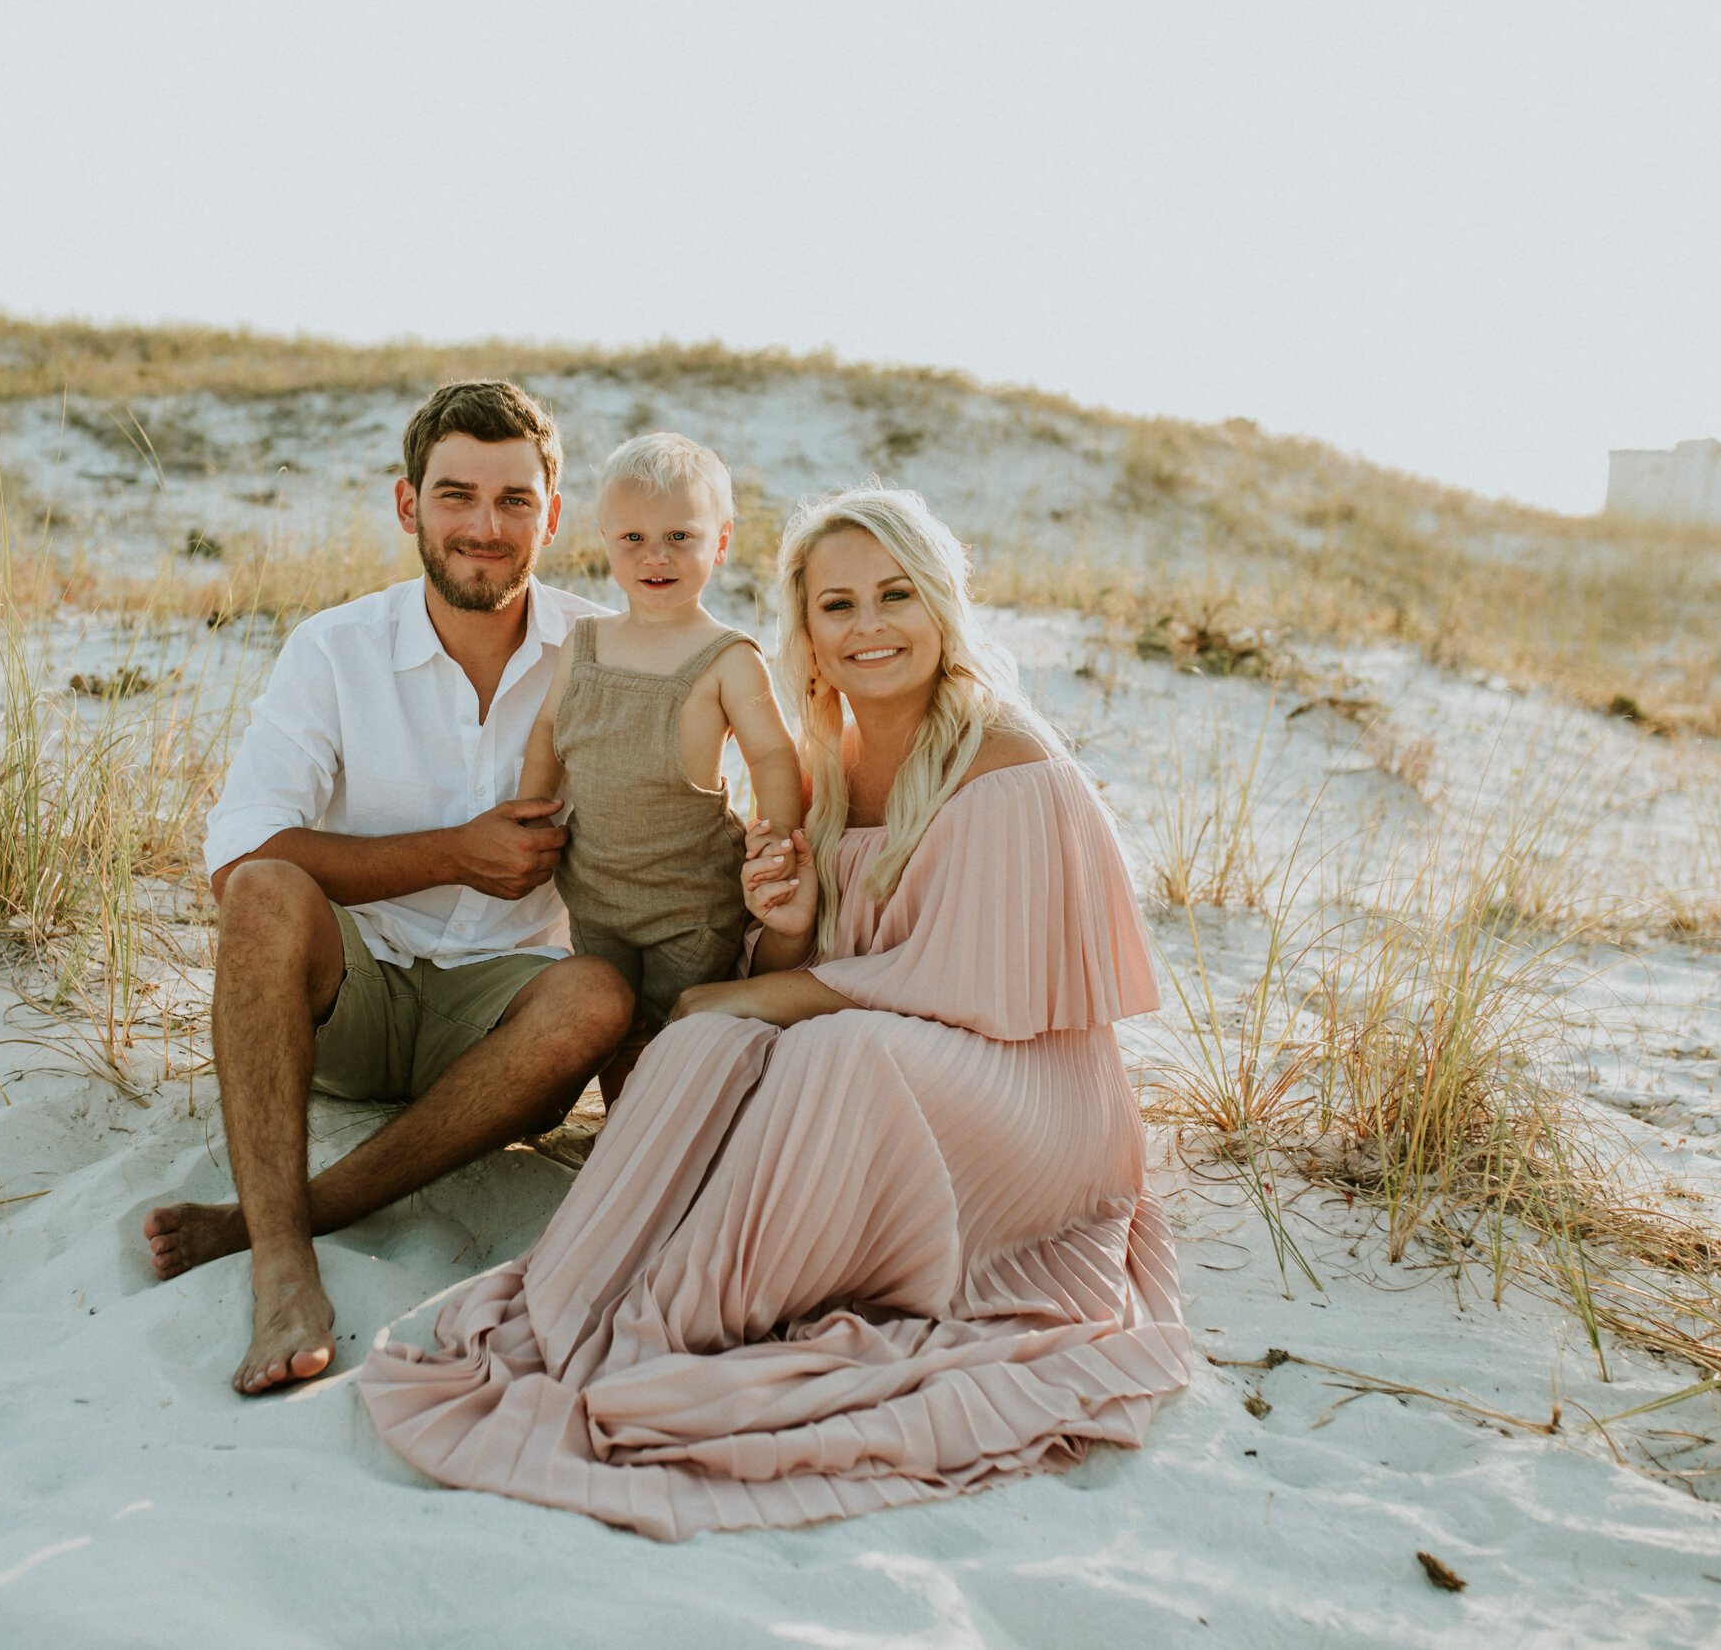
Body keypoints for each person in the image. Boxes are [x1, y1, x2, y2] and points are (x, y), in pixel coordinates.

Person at [358, 485, 1190, 1540]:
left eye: (895, 595)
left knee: (829, 1053)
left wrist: (760, 986)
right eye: (838, 606)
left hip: (1029, 1092)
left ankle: (704, 1322)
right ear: (807, 628)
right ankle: (602, 1312)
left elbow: (959, 986)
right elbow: (811, 956)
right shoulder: (821, 763)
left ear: (940, 604)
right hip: (891, 1045)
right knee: (699, 1041)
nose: (870, 626)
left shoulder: (1008, 760)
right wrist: (782, 926)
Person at [143, 380, 635, 1396]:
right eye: (456, 496)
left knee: (596, 992)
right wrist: (452, 852)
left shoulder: (606, 655)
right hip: (347, 1007)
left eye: (511, 501)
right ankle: (284, 1264)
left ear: (550, 512)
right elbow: (240, 853)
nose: (483, 527)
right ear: (408, 505)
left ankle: (287, 1209)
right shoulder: (334, 647)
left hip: (500, 1028)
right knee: (268, 891)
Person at [515, 433, 804, 1065]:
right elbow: (546, 733)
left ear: (720, 543)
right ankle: (620, 1139)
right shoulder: (585, 643)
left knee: (675, 1033)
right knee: (610, 1027)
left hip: (691, 900)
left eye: (680, 536)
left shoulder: (726, 655)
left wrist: (778, 834)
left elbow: (774, 754)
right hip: (596, 889)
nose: (656, 555)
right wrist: (529, 807)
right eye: (633, 538)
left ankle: (667, 1136)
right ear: (606, 544)